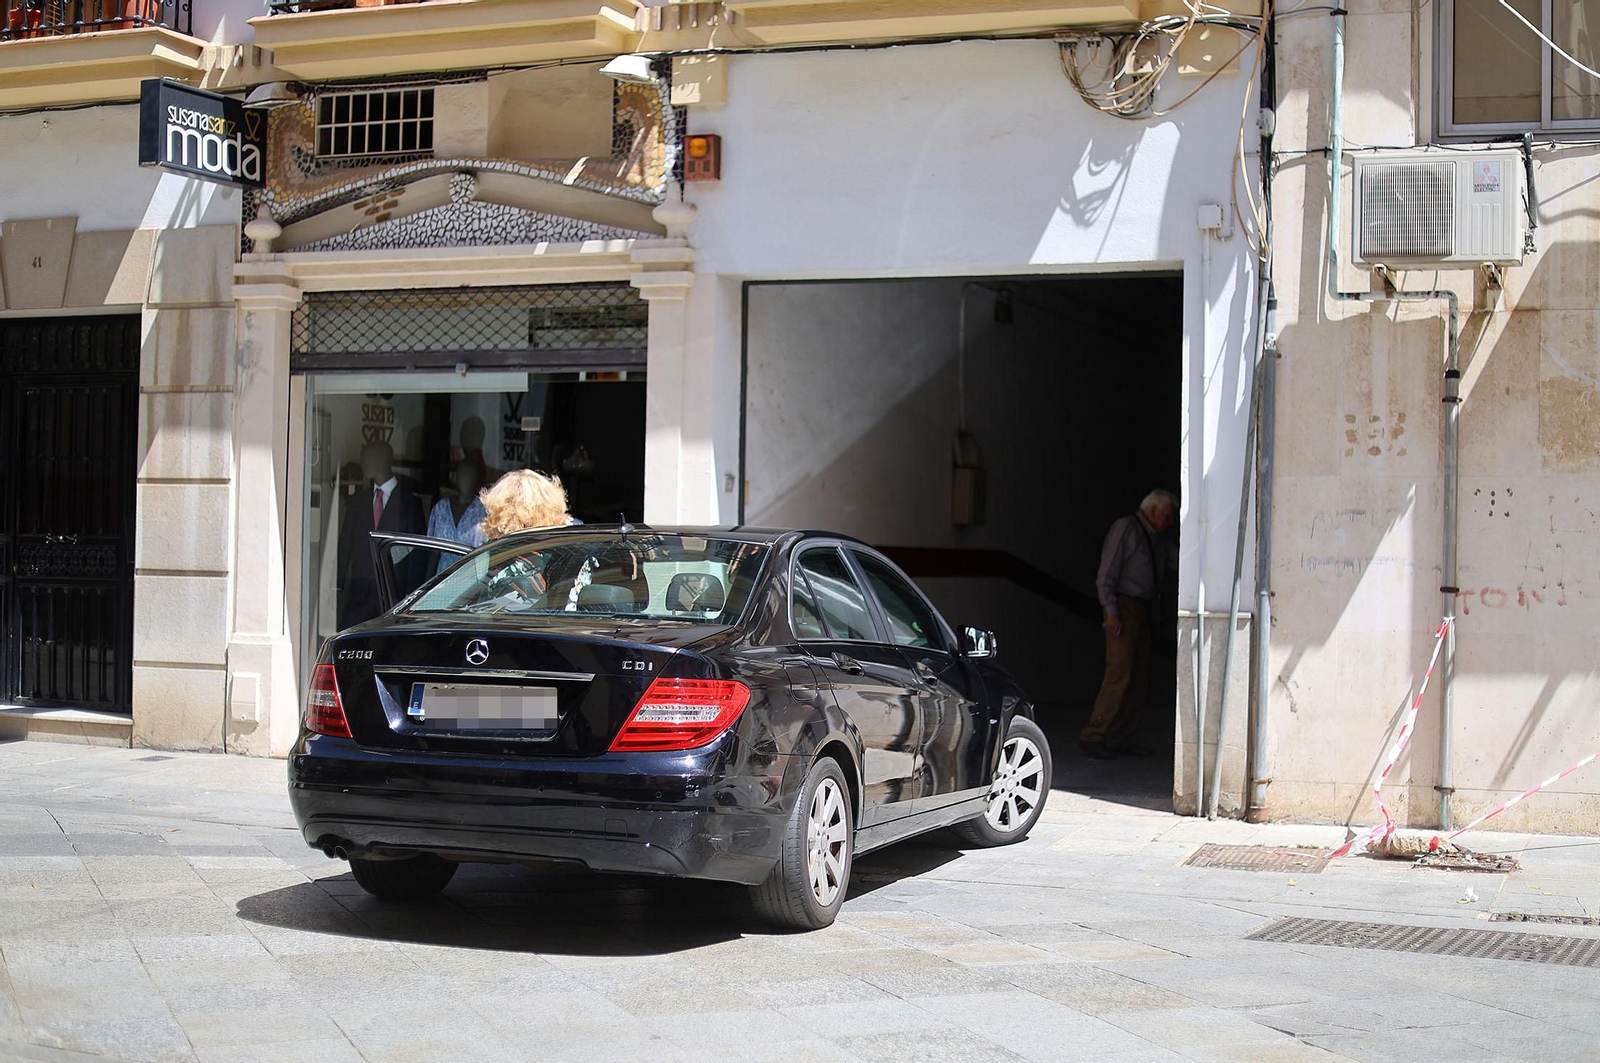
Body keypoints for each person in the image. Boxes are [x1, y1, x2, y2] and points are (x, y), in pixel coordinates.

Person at [1080, 489, 1179, 760]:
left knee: (1139, 676)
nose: (1170, 522)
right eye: (1167, 516)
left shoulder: (1158, 539)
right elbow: (1106, 575)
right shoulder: (1126, 528)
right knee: (1119, 674)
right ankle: (1095, 734)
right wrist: (1111, 613)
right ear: (1153, 511)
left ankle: (1122, 736)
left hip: (1145, 608)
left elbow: (1179, 562)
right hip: (1124, 608)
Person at [336, 441, 426, 629]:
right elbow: (345, 547)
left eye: (366, 459)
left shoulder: (410, 503)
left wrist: (411, 595)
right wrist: (338, 585)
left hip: (395, 595)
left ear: (382, 461)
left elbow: (417, 554)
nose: (363, 464)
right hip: (359, 595)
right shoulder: (357, 502)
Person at [426, 457, 487, 564]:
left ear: (477, 479)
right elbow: (433, 552)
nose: (466, 479)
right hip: (443, 575)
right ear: (456, 477)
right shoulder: (441, 508)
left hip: (472, 577)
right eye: (462, 474)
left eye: (470, 474)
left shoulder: (484, 512)